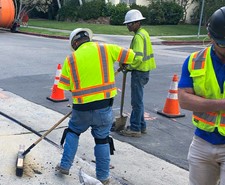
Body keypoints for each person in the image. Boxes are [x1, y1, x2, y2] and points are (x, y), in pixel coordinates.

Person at [55, 28, 135, 184]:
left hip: (81, 109)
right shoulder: (106, 48)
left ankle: (65, 165)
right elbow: (131, 56)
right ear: (88, 38)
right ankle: (103, 176)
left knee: (73, 132)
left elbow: (65, 86)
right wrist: (122, 63)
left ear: (75, 43)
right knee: (102, 140)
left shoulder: (71, 59)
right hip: (103, 108)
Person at [178, 7, 225, 185]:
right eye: (223, 43)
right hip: (203, 141)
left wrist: (203, 103)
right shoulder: (195, 61)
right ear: (210, 36)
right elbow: (184, 100)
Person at [120, 9, 156, 137]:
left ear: (137, 23)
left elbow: (139, 58)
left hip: (139, 72)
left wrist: (128, 67)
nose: (128, 26)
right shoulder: (143, 33)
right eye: (127, 24)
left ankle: (135, 128)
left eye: (129, 23)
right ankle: (141, 126)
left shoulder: (139, 37)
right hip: (144, 71)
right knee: (139, 101)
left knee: (136, 102)